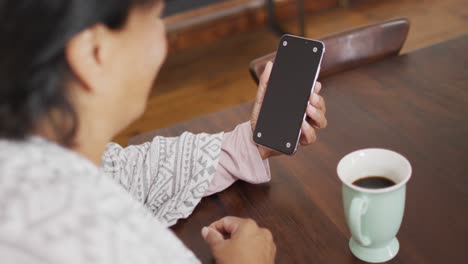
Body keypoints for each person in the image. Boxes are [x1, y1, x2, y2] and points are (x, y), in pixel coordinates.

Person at [0, 0, 327, 263]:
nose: (163, 40)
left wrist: (253, 144)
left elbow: (123, 173)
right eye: (156, 18)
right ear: (93, 54)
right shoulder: (110, 244)